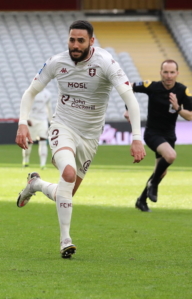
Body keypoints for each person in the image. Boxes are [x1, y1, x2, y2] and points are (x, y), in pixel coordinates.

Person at [15, 20, 146, 258]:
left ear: (91, 41)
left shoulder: (106, 63)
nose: (75, 45)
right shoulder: (57, 62)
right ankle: (65, 240)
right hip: (63, 126)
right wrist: (22, 123)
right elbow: (30, 92)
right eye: (72, 40)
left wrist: (137, 137)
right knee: (68, 173)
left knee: (65, 193)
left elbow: (131, 99)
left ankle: (35, 185)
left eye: (81, 41)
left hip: (90, 136)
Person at [125, 60, 192, 212]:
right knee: (171, 156)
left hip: (169, 136)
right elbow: (128, 87)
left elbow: (190, 116)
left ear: (177, 73)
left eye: (172, 72)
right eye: (166, 72)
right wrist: (128, 108)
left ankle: (141, 201)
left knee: (162, 171)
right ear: (161, 72)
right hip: (152, 134)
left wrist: (178, 108)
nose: (169, 76)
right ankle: (153, 185)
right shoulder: (152, 86)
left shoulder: (182, 91)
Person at [21, 89, 52, 169]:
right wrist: (26, 119)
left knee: (43, 140)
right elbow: (24, 106)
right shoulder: (30, 92)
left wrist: (51, 121)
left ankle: (43, 164)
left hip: (42, 120)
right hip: (31, 119)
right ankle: (26, 160)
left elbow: (49, 108)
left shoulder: (47, 94)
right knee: (29, 142)